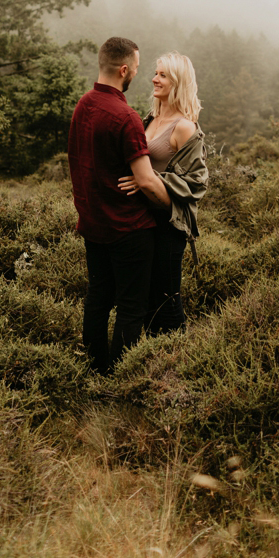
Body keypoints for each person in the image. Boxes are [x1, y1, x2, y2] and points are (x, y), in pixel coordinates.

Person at [67, 37, 172, 375]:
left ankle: (92, 371)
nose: (138, 76)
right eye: (138, 70)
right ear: (124, 69)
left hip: (93, 225)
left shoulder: (83, 105)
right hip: (128, 229)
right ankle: (118, 378)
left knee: (97, 299)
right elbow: (145, 180)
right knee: (131, 308)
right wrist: (175, 202)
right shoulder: (125, 116)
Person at [121, 51, 208, 335]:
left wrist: (151, 179)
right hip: (142, 220)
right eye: (156, 73)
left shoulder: (184, 127)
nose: (154, 79)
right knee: (145, 299)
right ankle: (150, 360)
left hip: (168, 225)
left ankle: (177, 360)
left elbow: (197, 182)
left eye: (162, 75)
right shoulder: (149, 119)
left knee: (167, 299)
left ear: (178, 82)